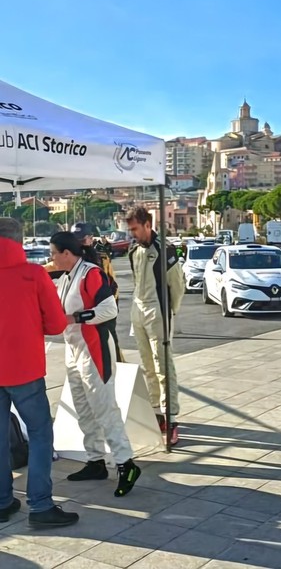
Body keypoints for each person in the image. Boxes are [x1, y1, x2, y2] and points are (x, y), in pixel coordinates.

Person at [0, 218, 79, 528]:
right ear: (19, 242)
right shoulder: (34, 275)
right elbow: (57, 324)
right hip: (25, 369)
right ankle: (41, 506)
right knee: (40, 433)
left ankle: (3, 501)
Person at [49, 232, 141, 496]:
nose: (51, 258)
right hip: (74, 349)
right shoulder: (66, 277)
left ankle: (126, 463)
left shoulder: (91, 273)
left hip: (95, 349)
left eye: (54, 253)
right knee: (83, 408)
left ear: (67, 253)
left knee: (104, 407)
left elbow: (109, 309)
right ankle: (95, 460)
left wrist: (74, 318)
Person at [126, 206, 185, 445]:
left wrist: (170, 312)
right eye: (130, 230)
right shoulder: (132, 250)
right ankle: (156, 413)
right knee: (147, 365)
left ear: (147, 225)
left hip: (158, 311)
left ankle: (171, 419)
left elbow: (177, 286)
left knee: (163, 366)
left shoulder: (165, 249)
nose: (132, 234)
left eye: (135, 229)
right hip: (137, 309)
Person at [71, 223, 119, 305]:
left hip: (98, 311)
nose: (79, 244)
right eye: (74, 241)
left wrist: (110, 308)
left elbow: (112, 285)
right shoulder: (65, 259)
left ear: (91, 238)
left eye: (82, 241)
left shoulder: (102, 259)